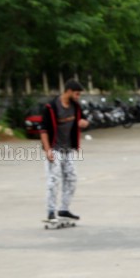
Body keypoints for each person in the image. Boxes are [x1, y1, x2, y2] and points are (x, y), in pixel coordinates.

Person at [39, 80, 89, 222]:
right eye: (77, 93)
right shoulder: (51, 107)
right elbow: (43, 130)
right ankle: (50, 211)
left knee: (72, 178)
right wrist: (47, 150)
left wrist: (84, 123)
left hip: (68, 149)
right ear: (68, 91)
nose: (78, 96)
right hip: (54, 149)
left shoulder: (76, 107)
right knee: (54, 180)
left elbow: (84, 120)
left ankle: (64, 209)